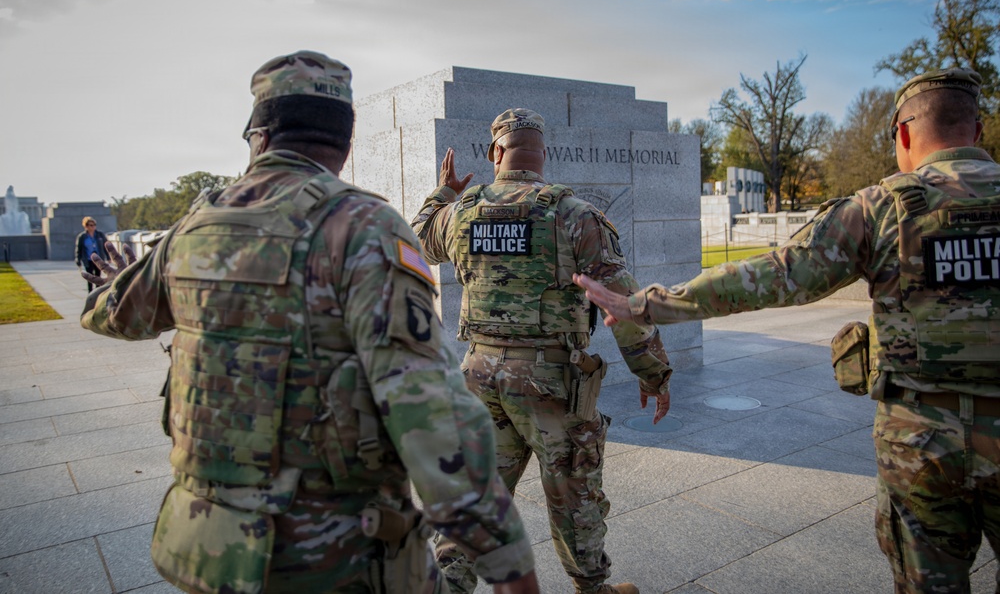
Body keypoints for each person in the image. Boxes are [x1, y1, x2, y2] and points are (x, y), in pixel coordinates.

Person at [80, 51, 539, 594]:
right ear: (344, 145)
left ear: (256, 136)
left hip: (207, 551)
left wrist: (113, 282)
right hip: (332, 558)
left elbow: (112, 315)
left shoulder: (195, 226)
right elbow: (433, 416)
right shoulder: (362, 227)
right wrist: (511, 570)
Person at [574, 68, 999, 594]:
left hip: (921, 442)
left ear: (904, 135)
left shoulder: (881, 209)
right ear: (977, 132)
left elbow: (771, 276)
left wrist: (646, 304)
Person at [410, 108, 673, 594]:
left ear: (495, 152)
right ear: (543, 154)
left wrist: (445, 191)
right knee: (574, 492)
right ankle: (592, 588)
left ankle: (449, 581)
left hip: (478, 376)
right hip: (551, 383)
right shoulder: (575, 215)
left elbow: (419, 239)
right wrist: (653, 373)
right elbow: (623, 302)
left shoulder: (460, 211)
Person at [75, 216, 108, 292]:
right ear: (86, 226)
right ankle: (90, 293)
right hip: (88, 259)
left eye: (94, 225)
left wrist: (108, 257)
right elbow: (78, 249)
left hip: (98, 259)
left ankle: (98, 292)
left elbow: (105, 246)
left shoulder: (99, 235)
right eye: (91, 225)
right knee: (90, 277)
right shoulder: (82, 237)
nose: (93, 227)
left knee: (98, 276)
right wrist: (78, 260)